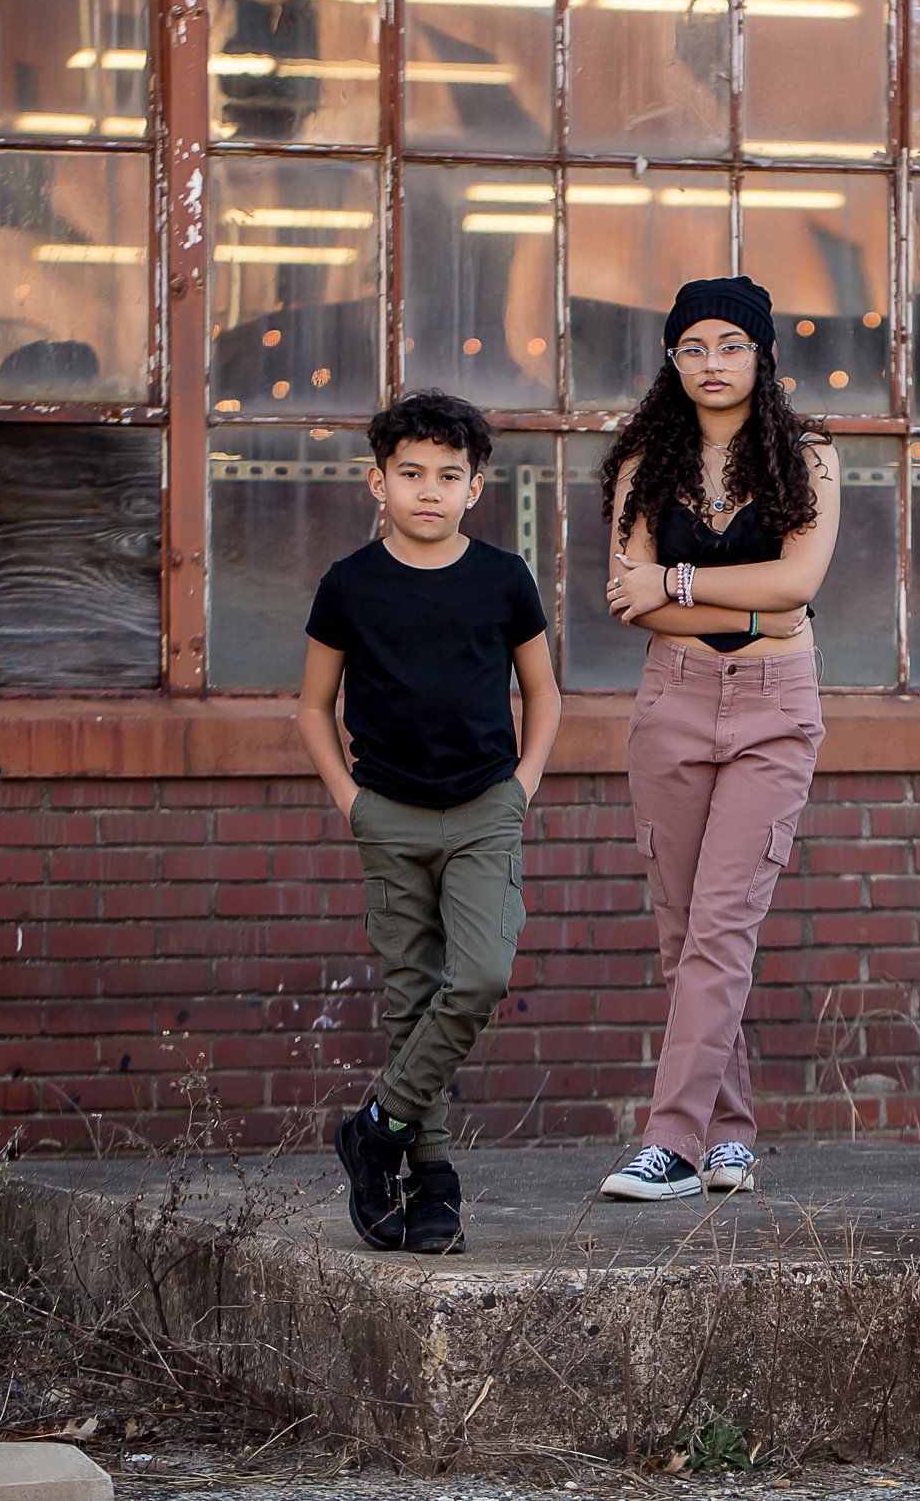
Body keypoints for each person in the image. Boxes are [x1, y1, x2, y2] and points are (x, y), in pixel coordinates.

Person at [596, 276, 840, 1202]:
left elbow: (799, 583)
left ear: (761, 356)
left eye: (730, 346)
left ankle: (668, 1142)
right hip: (675, 700)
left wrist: (681, 582)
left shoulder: (806, 458)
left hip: (777, 705)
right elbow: (627, 594)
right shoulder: (644, 462)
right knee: (683, 933)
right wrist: (746, 599)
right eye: (692, 347)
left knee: (724, 925)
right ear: (672, 360)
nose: (711, 363)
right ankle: (729, 1135)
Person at [301, 392, 560, 1256]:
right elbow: (312, 705)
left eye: (449, 476)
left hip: (486, 806)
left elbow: (543, 692)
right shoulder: (350, 585)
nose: (428, 490)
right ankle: (431, 1176)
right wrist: (351, 801)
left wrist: (521, 785)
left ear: (476, 487)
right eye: (410, 474)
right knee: (412, 994)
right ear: (377, 482)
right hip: (389, 813)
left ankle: (376, 1127)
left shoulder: (501, 578)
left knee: (479, 972)